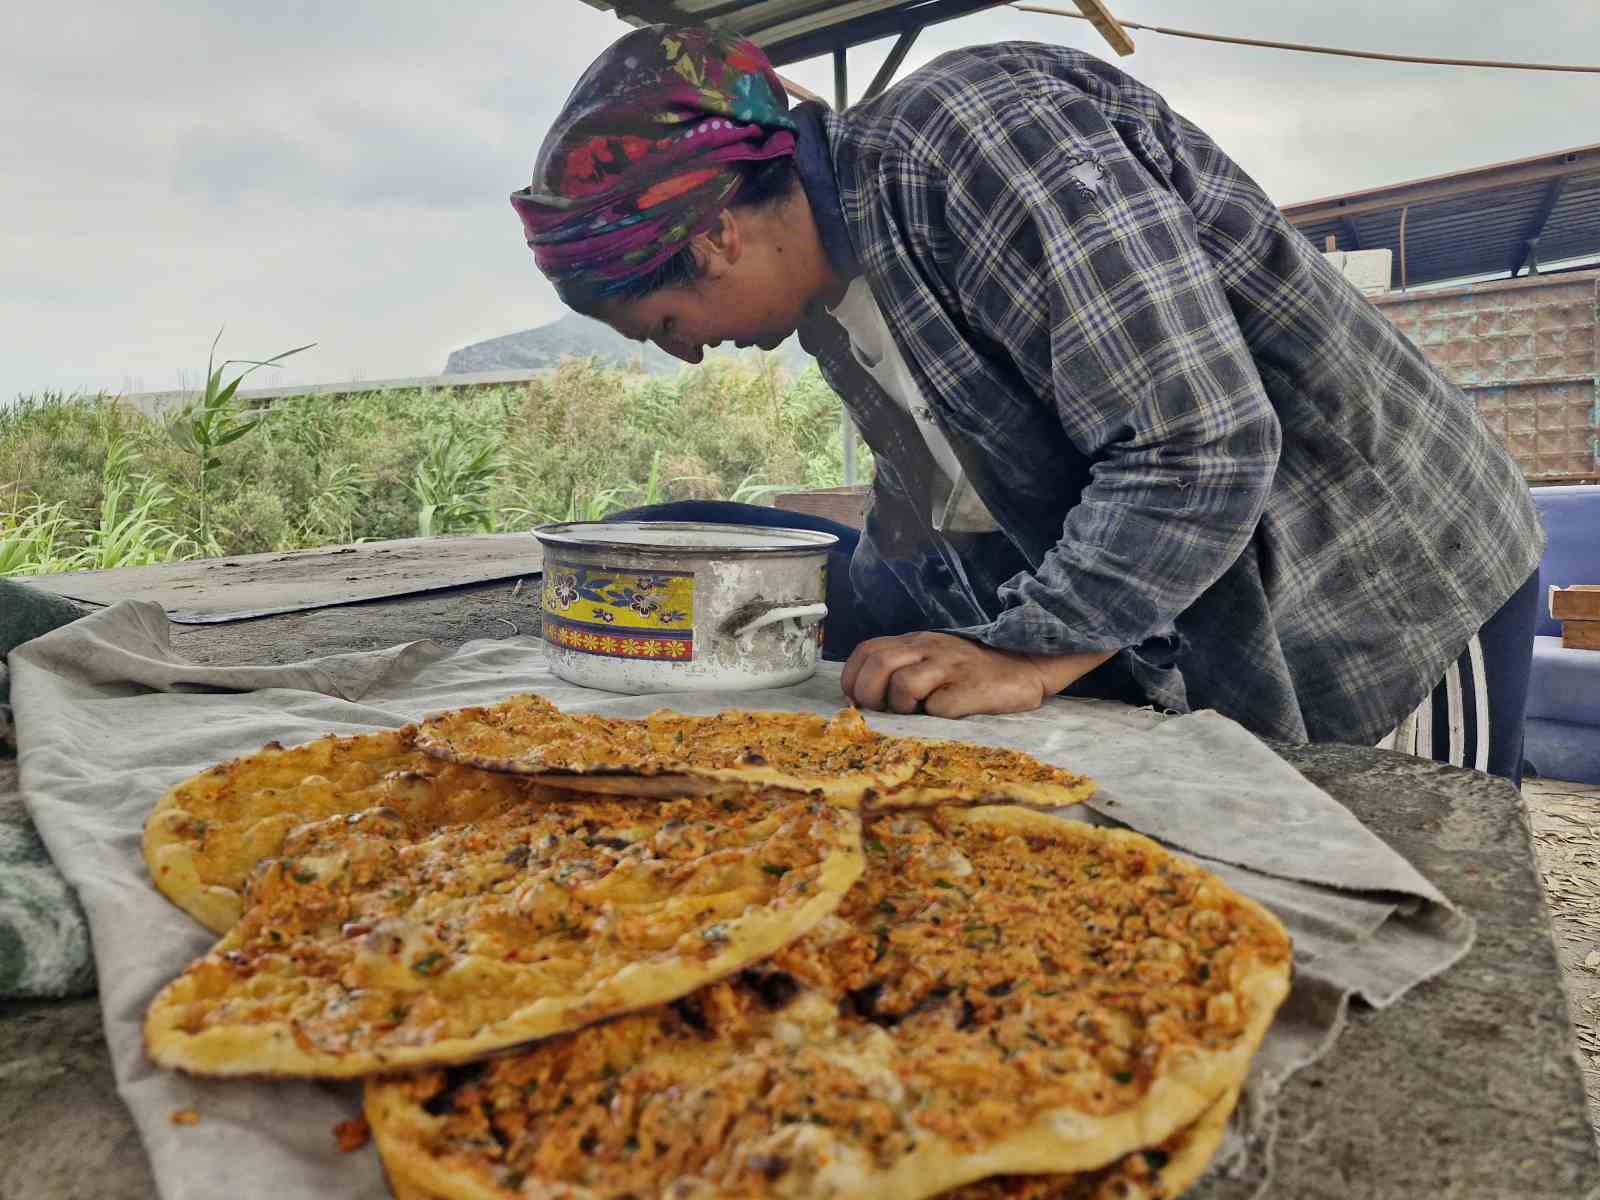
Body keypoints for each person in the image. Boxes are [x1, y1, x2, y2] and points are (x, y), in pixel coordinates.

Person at [511, 25, 1544, 781]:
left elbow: (1196, 443)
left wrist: (1026, 651)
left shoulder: (975, 135)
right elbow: (939, 509)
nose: (686, 360)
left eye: (660, 325)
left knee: (1406, 887)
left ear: (710, 237)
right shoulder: (834, 301)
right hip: (1207, 608)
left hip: (1379, 586)